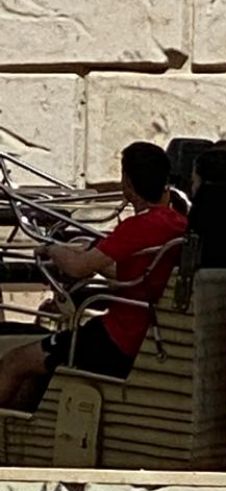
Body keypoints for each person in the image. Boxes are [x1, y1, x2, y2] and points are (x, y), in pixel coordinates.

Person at [0, 142, 187, 408]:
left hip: (117, 339)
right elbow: (133, 273)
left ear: (128, 184)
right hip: (148, 334)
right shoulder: (179, 224)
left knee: (15, 361)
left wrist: (52, 249)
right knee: (36, 368)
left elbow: (77, 268)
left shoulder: (139, 227)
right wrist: (93, 256)